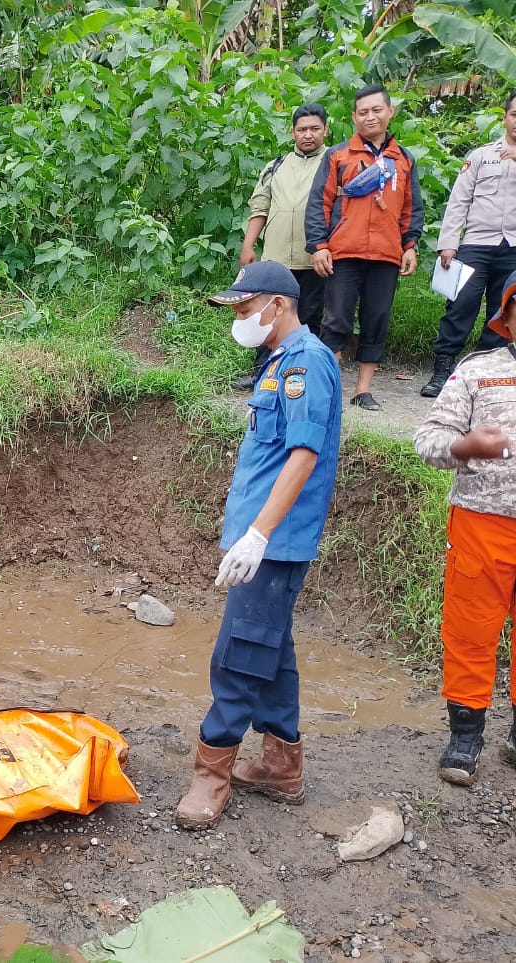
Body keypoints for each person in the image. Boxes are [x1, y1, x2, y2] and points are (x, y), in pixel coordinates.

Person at [176, 261, 343, 831]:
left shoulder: (307, 364)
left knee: (239, 656)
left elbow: (303, 455)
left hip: (275, 542)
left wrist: (258, 534)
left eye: (246, 308)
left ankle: (212, 771)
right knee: (271, 653)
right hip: (261, 537)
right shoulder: (275, 361)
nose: (241, 319)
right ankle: (280, 765)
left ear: (278, 304)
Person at [413, 270, 516, 786]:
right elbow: (427, 439)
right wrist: (463, 447)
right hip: (483, 524)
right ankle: (466, 735)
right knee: (470, 631)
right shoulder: (478, 373)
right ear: (508, 317)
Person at [305, 83, 424, 412]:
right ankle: (329, 390)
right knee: (336, 320)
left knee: (377, 319)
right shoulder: (338, 155)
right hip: (343, 251)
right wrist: (319, 245)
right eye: (363, 112)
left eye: (376, 110)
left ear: (390, 112)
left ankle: (363, 390)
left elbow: (411, 207)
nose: (370, 117)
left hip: (387, 255)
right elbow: (320, 203)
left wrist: (410, 244)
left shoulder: (404, 160)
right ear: (354, 117)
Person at [421, 92, 516, 398]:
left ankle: (484, 376)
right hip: (476, 243)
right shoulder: (480, 156)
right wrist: (448, 243)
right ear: (505, 117)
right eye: (514, 115)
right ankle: (442, 372)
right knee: (460, 306)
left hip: (513, 247)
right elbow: (458, 201)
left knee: (502, 312)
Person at [234, 104, 331, 389]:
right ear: (293, 132)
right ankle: (262, 373)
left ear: (325, 129)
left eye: (315, 129)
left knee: (309, 318)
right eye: (302, 130)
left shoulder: (334, 163)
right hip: (275, 261)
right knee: (266, 316)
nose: (308, 135)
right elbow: (260, 207)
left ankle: (301, 376)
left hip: (313, 258)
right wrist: (248, 246)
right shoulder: (276, 165)